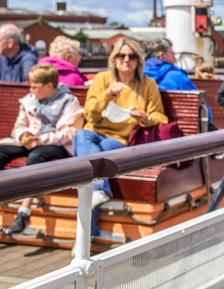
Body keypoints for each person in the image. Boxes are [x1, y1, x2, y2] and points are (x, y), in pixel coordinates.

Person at [72, 38, 168, 208]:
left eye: (131, 56)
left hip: (120, 138)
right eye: (121, 55)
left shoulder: (147, 85)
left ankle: (91, 227)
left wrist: (146, 119)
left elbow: (161, 117)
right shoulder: (102, 80)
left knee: (87, 163)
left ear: (138, 60)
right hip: (94, 132)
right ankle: (99, 190)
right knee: (81, 136)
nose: (126, 60)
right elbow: (90, 114)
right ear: (114, 59)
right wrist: (108, 94)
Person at [0, 63, 84, 234]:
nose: (31, 89)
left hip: (56, 145)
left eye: (35, 86)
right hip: (32, 141)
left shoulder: (69, 101)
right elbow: (19, 126)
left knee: (35, 157)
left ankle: (24, 211)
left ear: (49, 86)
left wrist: (41, 139)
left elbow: (70, 133)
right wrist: (23, 135)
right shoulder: (30, 99)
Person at [143, 38, 212, 124]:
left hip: (147, 127)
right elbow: (202, 108)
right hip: (178, 129)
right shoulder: (176, 76)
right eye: (172, 53)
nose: (174, 56)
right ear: (162, 55)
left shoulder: (138, 76)